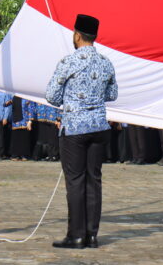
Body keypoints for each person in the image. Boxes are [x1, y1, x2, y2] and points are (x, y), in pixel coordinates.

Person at [47, 14, 118, 249]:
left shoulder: (68, 62)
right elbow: (112, 95)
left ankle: (76, 235)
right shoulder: (106, 62)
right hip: (99, 126)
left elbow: (52, 96)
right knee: (93, 181)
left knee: (76, 182)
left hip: (75, 128)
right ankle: (92, 235)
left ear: (77, 35)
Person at [9, 96, 32, 161]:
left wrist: (30, 121)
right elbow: (5, 104)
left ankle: (24, 155)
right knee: (16, 138)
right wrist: (9, 102)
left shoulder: (27, 98)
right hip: (15, 121)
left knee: (24, 138)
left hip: (25, 121)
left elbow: (30, 109)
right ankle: (15, 155)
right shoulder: (13, 97)